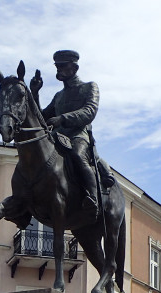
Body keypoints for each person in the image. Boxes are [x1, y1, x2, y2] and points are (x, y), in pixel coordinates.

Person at [30, 49, 106, 219]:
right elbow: (41, 117)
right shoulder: (59, 96)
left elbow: (89, 111)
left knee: (78, 156)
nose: (59, 70)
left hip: (79, 134)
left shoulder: (89, 87)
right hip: (57, 137)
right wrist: (35, 93)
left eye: (62, 66)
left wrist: (63, 119)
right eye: (57, 66)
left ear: (74, 67)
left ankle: (92, 198)